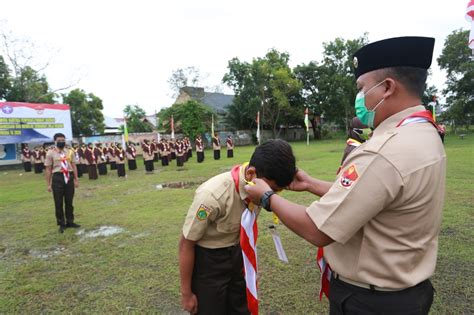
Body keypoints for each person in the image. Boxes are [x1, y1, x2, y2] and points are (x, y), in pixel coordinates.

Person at [244, 36, 445, 315]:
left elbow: (318, 229)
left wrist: (266, 197)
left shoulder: (383, 151)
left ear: (387, 87)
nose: (360, 98)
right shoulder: (424, 134)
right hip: (407, 294)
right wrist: (312, 184)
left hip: (371, 302)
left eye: (362, 88)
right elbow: (370, 199)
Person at [179, 139, 297, 315]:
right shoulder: (212, 196)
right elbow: (186, 244)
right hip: (210, 263)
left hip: (239, 257)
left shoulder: (257, 187)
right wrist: (186, 293)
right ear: (251, 174)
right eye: (271, 190)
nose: (271, 196)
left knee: (241, 309)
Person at [44, 133, 80, 233]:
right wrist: (48, 184)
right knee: (58, 202)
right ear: (55, 141)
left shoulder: (70, 151)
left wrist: (76, 179)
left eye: (63, 140)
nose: (61, 142)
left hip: (69, 177)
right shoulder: (50, 153)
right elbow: (48, 169)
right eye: (59, 140)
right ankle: (61, 223)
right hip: (57, 177)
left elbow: (74, 166)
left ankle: (70, 221)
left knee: (69, 201)